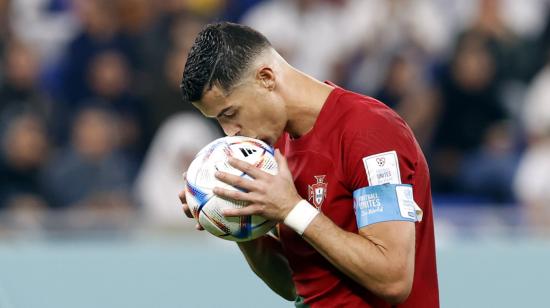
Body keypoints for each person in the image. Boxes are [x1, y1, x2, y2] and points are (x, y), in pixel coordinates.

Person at [178, 22, 439, 307]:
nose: (230, 132)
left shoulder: (370, 131)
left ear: (266, 78)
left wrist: (292, 209)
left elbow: (393, 279)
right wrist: (234, 214)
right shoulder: (270, 150)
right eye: (218, 120)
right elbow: (298, 285)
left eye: (230, 113)